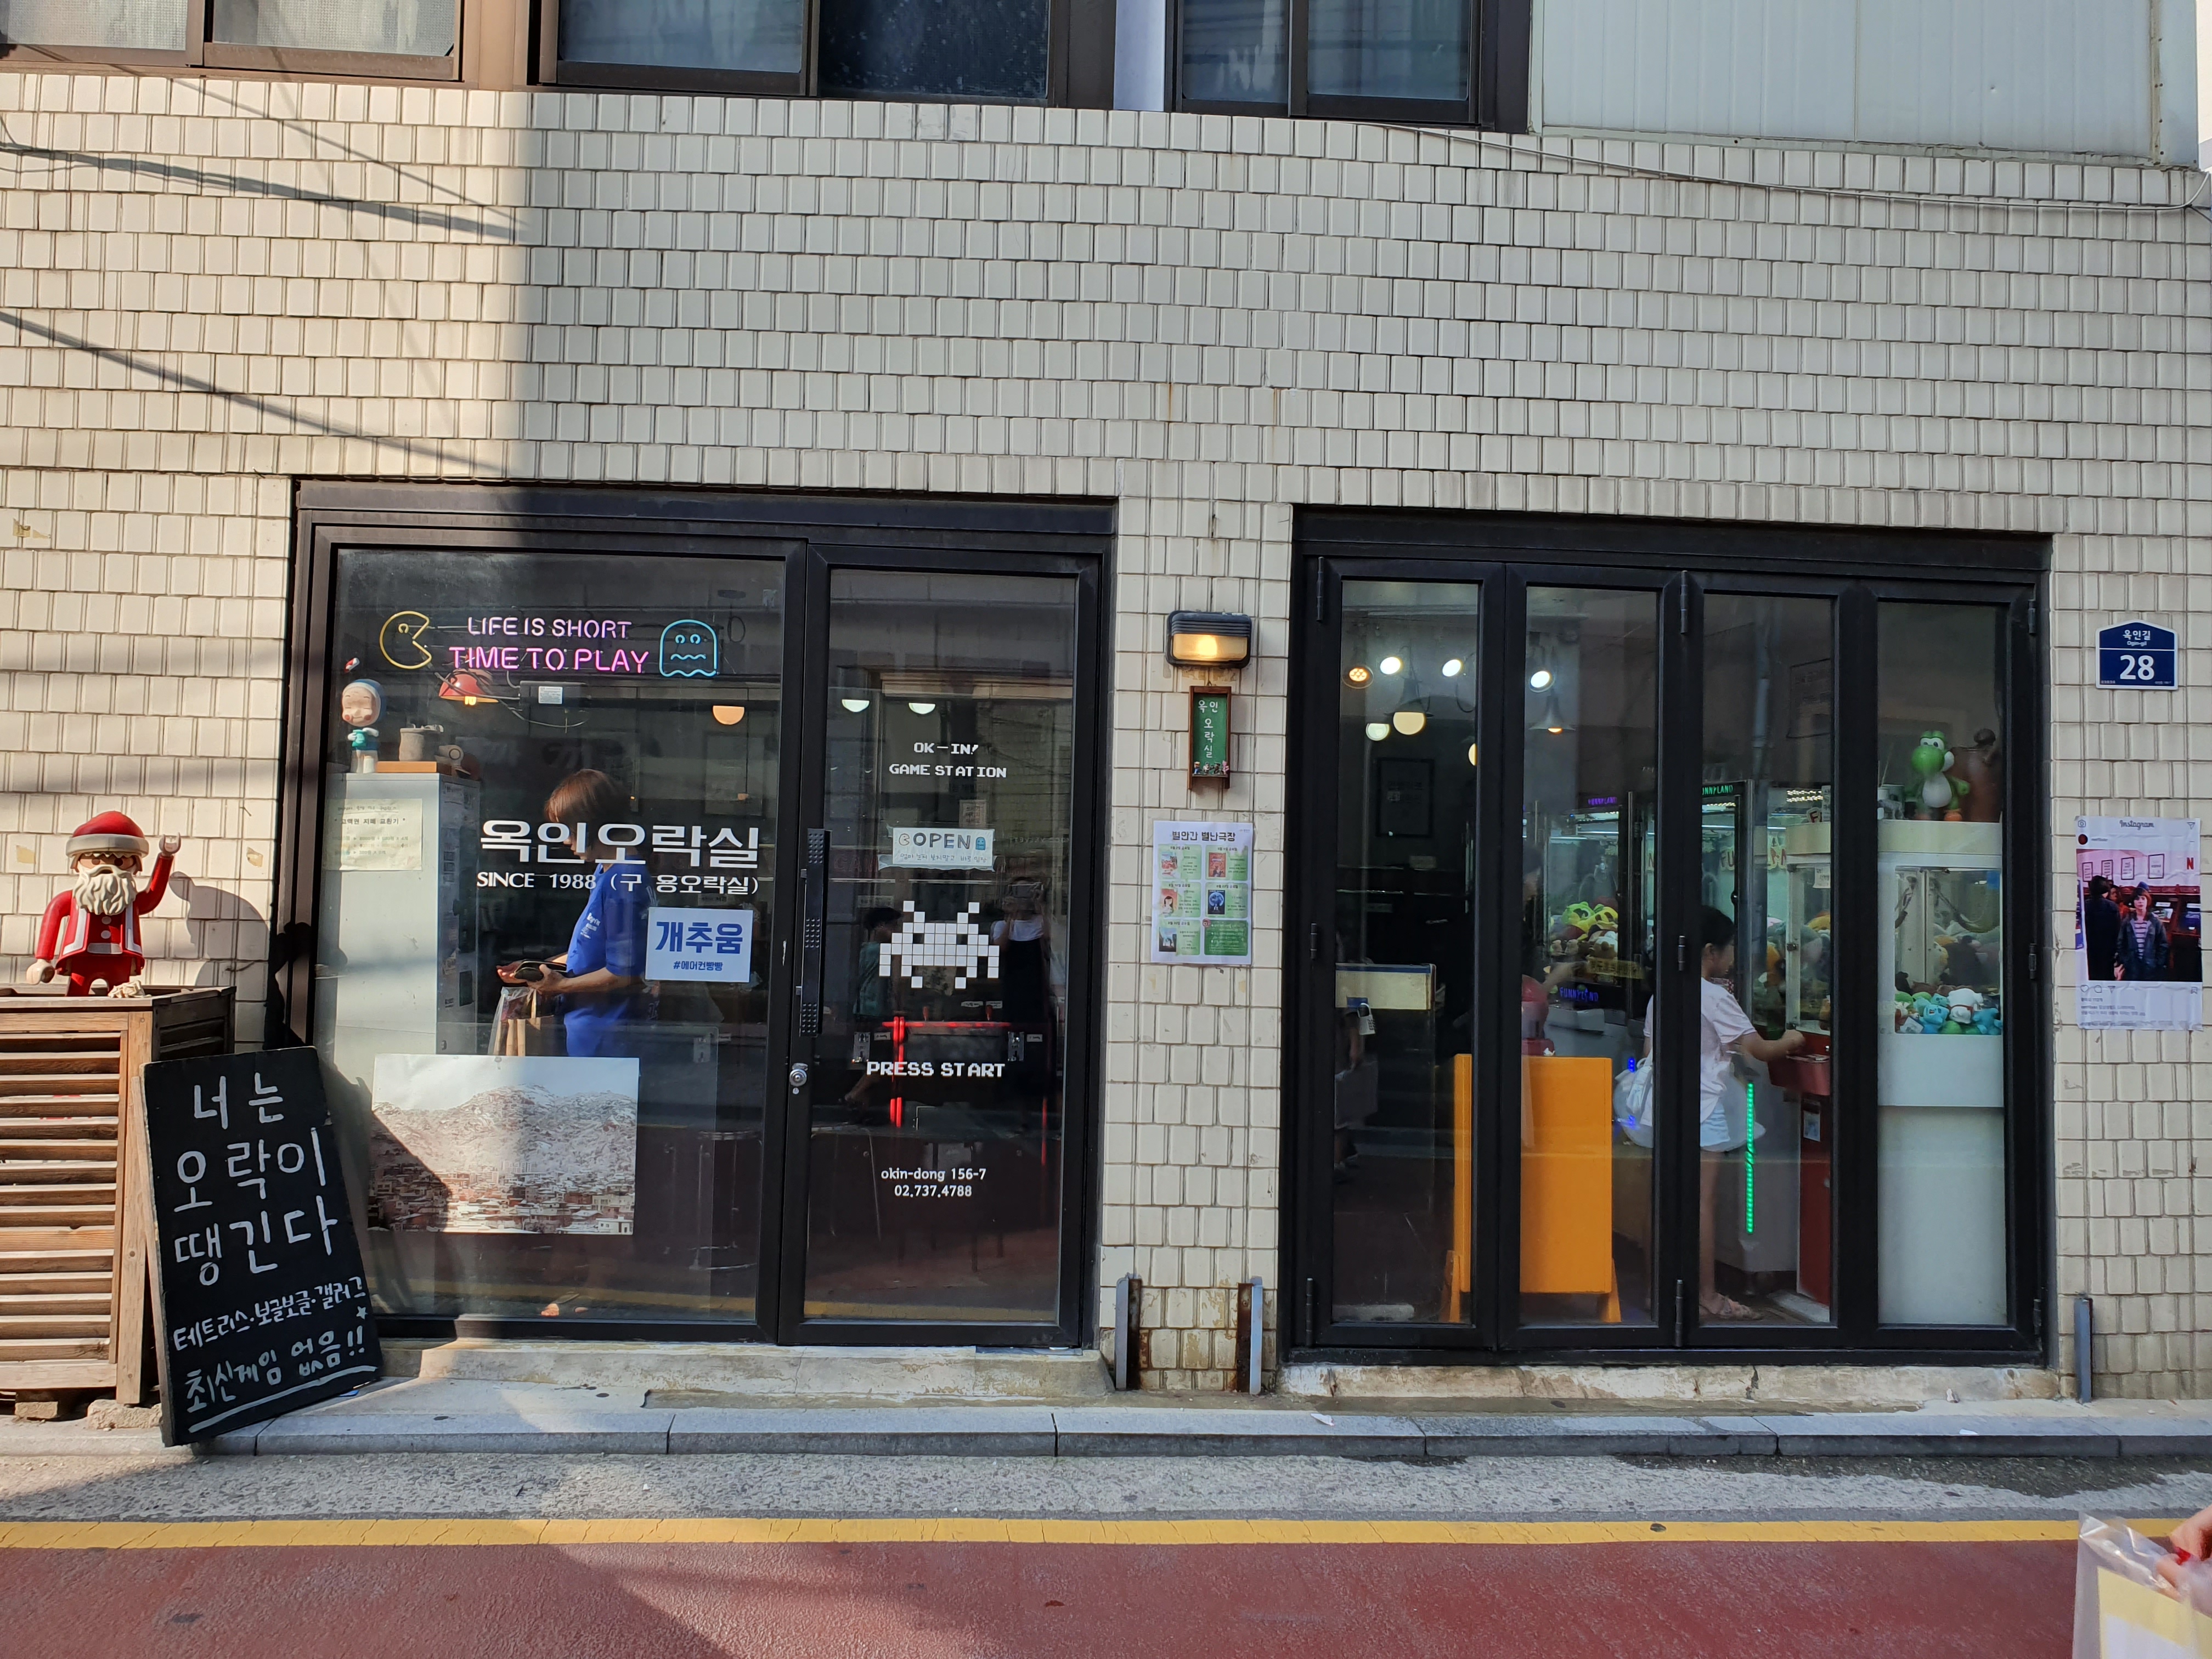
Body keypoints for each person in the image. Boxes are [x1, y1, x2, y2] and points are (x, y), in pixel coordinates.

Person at [1696, 905, 1806, 1321]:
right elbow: (1759, 1049)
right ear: (1711, 952)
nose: (1733, 957)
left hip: (1665, 1106)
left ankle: (1660, 1293)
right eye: (1729, 948)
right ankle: (1708, 1296)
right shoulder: (1715, 996)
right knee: (1702, 1203)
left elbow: (1652, 1053)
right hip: (1706, 1107)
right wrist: (1793, 1038)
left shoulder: (1663, 994)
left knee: (1665, 1199)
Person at [495, 769, 651, 1058]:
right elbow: (595, 950)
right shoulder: (608, 871)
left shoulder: (624, 881)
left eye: (570, 831)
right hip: (591, 1029)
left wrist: (562, 985)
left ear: (592, 825)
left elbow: (624, 972)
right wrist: (540, 967)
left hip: (606, 1035)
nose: (567, 841)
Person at [2117, 885, 2171, 982]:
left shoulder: (2156, 922)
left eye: (2143, 898)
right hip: (2132, 967)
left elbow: (2163, 944)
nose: (2140, 901)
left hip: (2151, 967)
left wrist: (2158, 963)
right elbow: (2121, 943)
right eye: (2137, 899)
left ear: (2147, 900)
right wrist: (2126, 960)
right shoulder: (2127, 922)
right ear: (2133, 902)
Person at [2082, 874, 2123, 983]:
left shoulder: (2084, 906)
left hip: (2089, 952)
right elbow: (2118, 932)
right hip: (2107, 953)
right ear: (2106, 890)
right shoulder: (2112, 907)